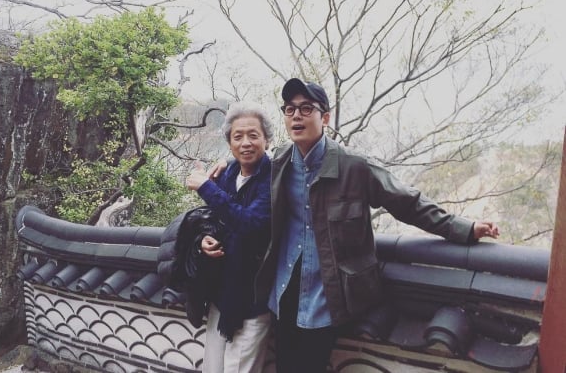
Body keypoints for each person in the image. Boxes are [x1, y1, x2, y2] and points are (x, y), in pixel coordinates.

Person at [215, 78, 499, 373]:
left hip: (326, 297)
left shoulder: (354, 166)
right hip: (283, 292)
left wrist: (464, 228)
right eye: (290, 109)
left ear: (325, 118)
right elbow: (247, 162)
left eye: (306, 108)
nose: (296, 116)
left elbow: (407, 202)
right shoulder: (280, 162)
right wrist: (224, 167)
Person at [186, 101, 274, 373]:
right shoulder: (229, 174)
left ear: (267, 140)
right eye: (238, 136)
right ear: (229, 143)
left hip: (253, 300)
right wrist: (204, 240)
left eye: (253, 135)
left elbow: (250, 223)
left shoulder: (273, 179)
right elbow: (216, 221)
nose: (246, 142)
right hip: (221, 294)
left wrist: (206, 187)